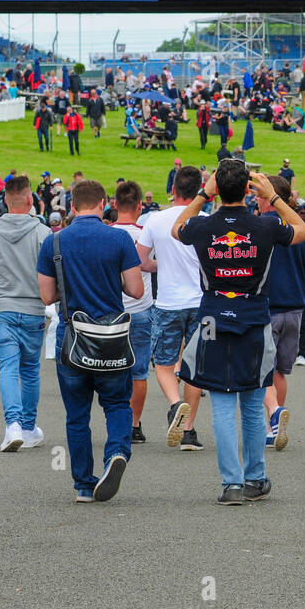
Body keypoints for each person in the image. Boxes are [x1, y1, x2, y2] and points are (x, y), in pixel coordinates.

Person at [172, 161, 305, 505]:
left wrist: (204, 194)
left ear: (217, 186)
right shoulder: (265, 224)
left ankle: (231, 483)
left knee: (220, 401)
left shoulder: (203, 226)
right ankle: (254, 478)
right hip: (253, 315)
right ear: (250, 188)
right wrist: (274, 197)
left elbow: (177, 228)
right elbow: (303, 231)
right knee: (251, 401)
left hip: (213, 316)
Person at [37, 179, 145, 503]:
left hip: (72, 338)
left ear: (71, 206)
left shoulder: (53, 243)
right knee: (116, 403)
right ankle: (116, 452)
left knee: (77, 414)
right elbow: (136, 290)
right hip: (110, 336)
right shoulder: (119, 238)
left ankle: (84, 483)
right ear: (103, 204)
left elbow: (46, 295)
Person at [0, 175, 51, 452]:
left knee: (8, 367)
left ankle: (13, 425)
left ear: (5, 200)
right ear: (31, 200)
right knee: (30, 370)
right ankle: (28, 427)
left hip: (3, 307)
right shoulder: (43, 233)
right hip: (33, 309)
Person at [139, 165, 205, 450]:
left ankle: (175, 403)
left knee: (164, 364)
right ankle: (189, 431)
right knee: (195, 366)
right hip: (200, 302)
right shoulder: (206, 220)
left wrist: (160, 264)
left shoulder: (155, 220)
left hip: (167, 302)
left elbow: (141, 260)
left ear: (174, 189)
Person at [260, 175, 305, 449]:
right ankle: (276, 420)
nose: (256, 200)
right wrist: (301, 294)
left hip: (267, 306)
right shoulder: (303, 229)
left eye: (260, 195)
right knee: (280, 371)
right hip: (295, 307)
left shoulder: (261, 227)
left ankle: (273, 418)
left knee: (262, 370)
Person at [111, 181, 170, 447]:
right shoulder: (146, 234)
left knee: (110, 369)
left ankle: (116, 422)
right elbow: (151, 263)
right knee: (139, 371)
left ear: (114, 205)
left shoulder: (106, 234)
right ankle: (134, 424)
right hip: (142, 309)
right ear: (139, 206)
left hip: (112, 310)